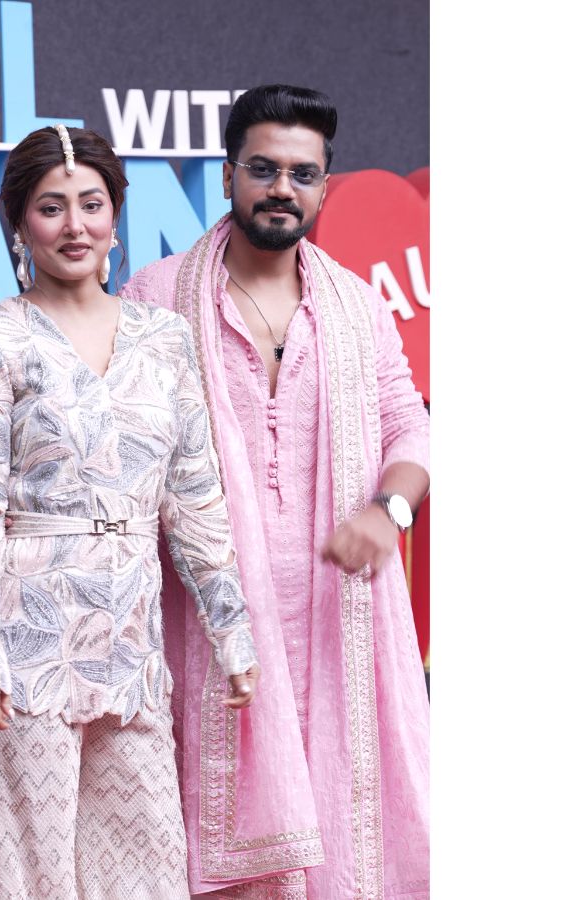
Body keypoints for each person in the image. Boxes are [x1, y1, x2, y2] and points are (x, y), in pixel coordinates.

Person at [119, 85, 430, 899]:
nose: (281, 188)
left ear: (324, 185)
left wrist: (389, 510)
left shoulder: (358, 307)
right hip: (209, 622)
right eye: (263, 168)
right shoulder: (154, 297)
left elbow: (410, 424)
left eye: (302, 173)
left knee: (349, 828)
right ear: (228, 176)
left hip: (340, 616)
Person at [0, 124, 262, 899]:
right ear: (20, 222)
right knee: (30, 879)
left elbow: (195, 497)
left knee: (147, 875)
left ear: (116, 214)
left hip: (129, 644)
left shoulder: (165, 338)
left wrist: (232, 630)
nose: (75, 226)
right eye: (52, 207)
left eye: (92, 204)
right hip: (22, 646)